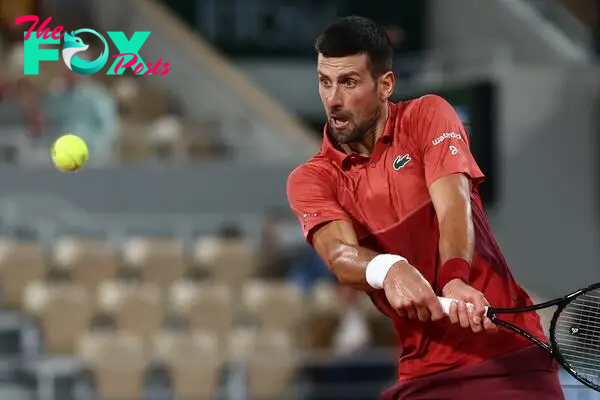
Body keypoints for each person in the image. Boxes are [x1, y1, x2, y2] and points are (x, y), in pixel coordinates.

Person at [286, 16, 565, 400]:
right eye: (324, 81)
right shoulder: (312, 178)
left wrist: (455, 277)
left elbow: (454, 206)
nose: (333, 99)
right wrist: (389, 267)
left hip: (509, 354)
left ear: (385, 85)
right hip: (424, 372)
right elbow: (339, 255)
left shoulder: (426, 115)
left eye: (349, 82)